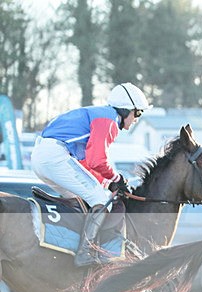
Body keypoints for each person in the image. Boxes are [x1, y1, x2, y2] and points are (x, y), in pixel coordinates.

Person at [31, 83, 151, 267]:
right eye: (138, 113)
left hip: (43, 156)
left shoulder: (100, 116)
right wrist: (116, 179)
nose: (136, 119)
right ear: (126, 110)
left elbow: (86, 163)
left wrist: (108, 182)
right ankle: (85, 251)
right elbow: (97, 160)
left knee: (84, 200)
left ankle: (67, 246)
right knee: (99, 199)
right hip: (54, 156)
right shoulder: (109, 120)